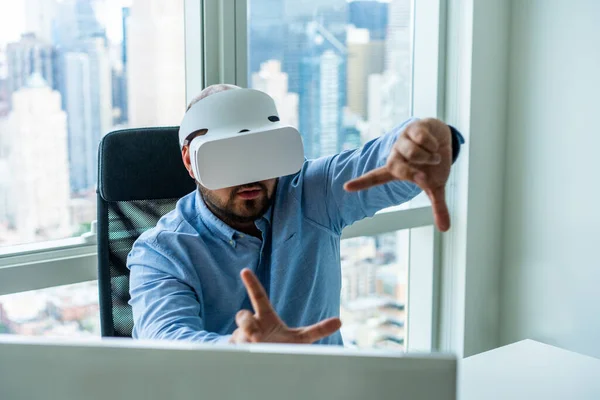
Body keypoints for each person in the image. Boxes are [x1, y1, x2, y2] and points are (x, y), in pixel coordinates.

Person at [127, 84, 464, 345]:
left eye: (261, 150)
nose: (249, 175)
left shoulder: (311, 194)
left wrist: (429, 144)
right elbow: (165, 340)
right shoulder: (160, 252)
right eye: (227, 157)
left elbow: (381, 162)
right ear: (190, 161)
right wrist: (239, 349)